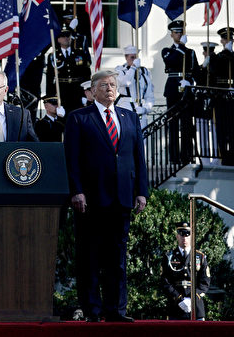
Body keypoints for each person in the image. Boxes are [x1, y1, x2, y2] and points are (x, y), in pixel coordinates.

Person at [64, 70, 148, 322]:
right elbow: (72, 159)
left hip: (121, 199)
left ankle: (116, 311)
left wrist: (141, 192)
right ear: (92, 91)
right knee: (90, 257)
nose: (110, 88)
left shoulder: (130, 118)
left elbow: (138, 159)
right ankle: (92, 310)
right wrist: (76, 191)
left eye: (113, 85)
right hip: (90, 199)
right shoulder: (79, 118)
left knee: (117, 259)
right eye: (104, 85)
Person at [161, 20, 200, 163]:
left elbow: (196, 72)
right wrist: (181, 47)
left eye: (181, 32)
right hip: (172, 89)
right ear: (171, 34)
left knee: (187, 124)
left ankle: (187, 155)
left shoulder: (190, 52)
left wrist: (191, 81)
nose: (179, 34)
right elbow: (170, 61)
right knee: (173, 123)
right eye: (176, 32)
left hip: (186, 89)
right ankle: (174, 157)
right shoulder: (167, 51)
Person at [161, 221, 210, 320]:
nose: (184, 238)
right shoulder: (169, 257)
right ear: (177, 236)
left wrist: (193, 299)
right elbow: (165, 281)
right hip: (175, 307)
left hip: (196, 308)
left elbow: (205, 282)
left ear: (192, 236)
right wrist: (179, 298)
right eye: (181, 235)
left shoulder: (200, 257)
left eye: (187, 235)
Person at [46, 28, 92, 116]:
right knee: (63, 119)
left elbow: (86, 74)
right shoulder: (53, 56)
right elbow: (50, 77)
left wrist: (86, 93)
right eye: (63, 36)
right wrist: (51, 98)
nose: (66, 38)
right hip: (61, 92)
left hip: (77, 91)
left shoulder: (79, 53)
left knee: (78, 118)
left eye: (68, 35)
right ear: (58, 39)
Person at [115, 45, 155, 128]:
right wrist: (133, 68)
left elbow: (149, 94)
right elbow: (125, 82)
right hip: (125, 106)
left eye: (136, 58)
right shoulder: (120, 70)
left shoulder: (145, 72)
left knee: (143, 137)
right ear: (126, 57)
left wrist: (146, 108)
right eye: (132, 57)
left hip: (141, 108)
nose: (134, 60)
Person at [211, 27, 234, 165]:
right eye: (226, 39)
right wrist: (226, 52)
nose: (229, 41)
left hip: (233, 94)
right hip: (221, 95)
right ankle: (224, 155)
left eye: (231, 39)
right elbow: (215, 70)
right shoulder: (217, 57)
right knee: (222, 127)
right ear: (222, 41)